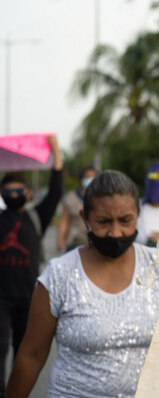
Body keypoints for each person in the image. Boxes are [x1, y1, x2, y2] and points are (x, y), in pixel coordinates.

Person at [6, 170, 159, 397]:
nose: (115, 232)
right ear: (85, 218)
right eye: (104, 222)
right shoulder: (59, 276)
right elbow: (32, 355)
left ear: (138, 213)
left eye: (125, 221)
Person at [0, 135, 63, 395]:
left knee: (23, 351)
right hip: (0, 298)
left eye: (19, 189)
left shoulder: (37, 217)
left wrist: (56, 152)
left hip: (29, 297)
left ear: (28, 193)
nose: (14, 193)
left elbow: (56, 190)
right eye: (8, 190)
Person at [56, 166, 97, 253]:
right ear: (82, 179)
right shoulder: (71, 198)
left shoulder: (101, 198)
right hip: (74, 244)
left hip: (95, 244)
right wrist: (60, 241)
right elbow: (64, 221)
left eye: (92, 177)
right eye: (87, 177)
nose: (89, 180)